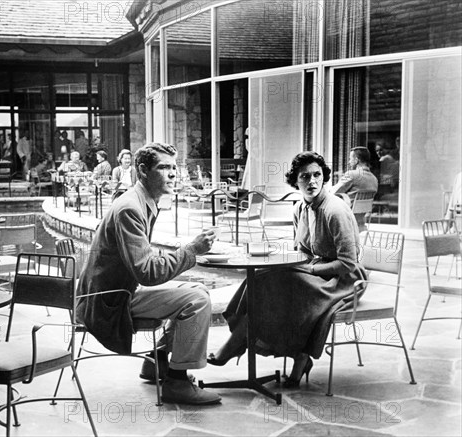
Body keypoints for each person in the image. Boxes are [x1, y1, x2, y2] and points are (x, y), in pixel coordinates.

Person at [76, 142, 221, 405]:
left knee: (198, 290)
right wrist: (192, 250)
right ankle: (177, 382)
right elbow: (147, 273)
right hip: (109, 302)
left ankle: (156, 361)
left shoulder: (140, 200)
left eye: (174, 167)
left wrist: (186, 252)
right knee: (197, 301)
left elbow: (141, 262)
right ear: (143, 170)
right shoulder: (131, 208)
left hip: (113, 293)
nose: (173, 174)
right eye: (164, 167)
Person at [208, 151, 366, 388]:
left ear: (324, 177)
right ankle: (285, 352)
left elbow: (348, 263)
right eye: (305, 177)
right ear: (296, 181)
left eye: (317, 175)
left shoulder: (335, 210)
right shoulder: (300, 208)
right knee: (263, 279)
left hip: (343, 279)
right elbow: (302, 250)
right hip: (316, 269)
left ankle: (249, 345)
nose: (312, 181)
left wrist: (310, 271)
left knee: (285, 286)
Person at [331, 147, 378, 232]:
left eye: (350, 159)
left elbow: (333, 192)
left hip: (345, 222)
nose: (349, 162)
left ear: (356, 160)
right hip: (361, 223)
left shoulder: (352, 175)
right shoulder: (374, 179)